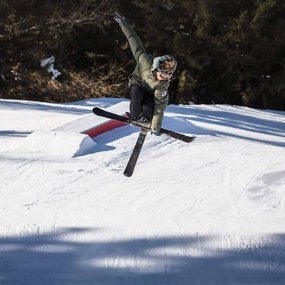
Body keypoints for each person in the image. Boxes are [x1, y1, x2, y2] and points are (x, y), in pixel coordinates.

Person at [114, 12, 177, 135]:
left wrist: (155, 126)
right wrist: (123, 23)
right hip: (137, 82)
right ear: (156, 69)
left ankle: (145, 120)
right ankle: (136, 116)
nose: (165, 78)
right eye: (163, 75)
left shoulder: (163, 85)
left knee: (150, 110)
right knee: (136, 95)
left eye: (169, 76)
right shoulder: (144, 60)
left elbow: (160, 108)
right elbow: (133, 40)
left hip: (149, 93)